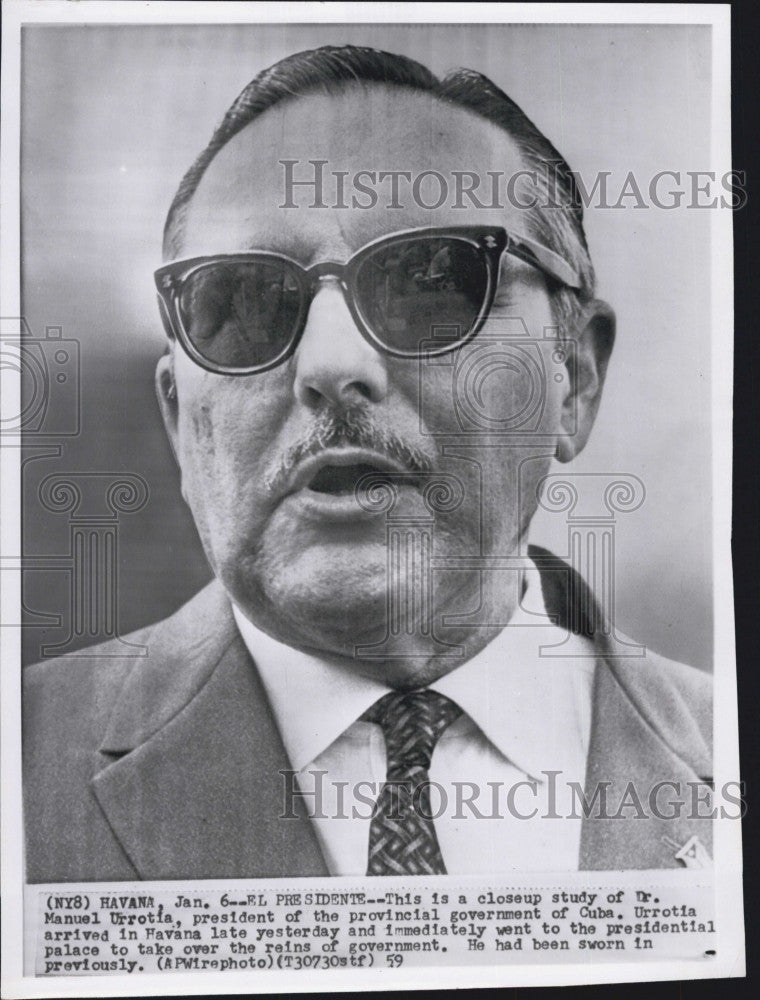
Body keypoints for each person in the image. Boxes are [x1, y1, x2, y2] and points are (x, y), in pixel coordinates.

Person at [23, 46, 712, 882]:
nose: (329, 364)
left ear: (575, 381)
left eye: (432, 285)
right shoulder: (17, 764)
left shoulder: (723, 748)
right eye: (242, 304)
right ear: (178, 421)